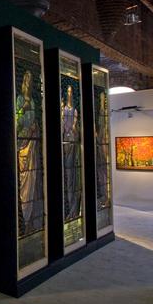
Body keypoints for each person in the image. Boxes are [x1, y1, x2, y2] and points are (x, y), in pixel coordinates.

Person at [15, 71, 44, 237]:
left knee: (33, 180)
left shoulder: (32, 101)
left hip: (32, 144)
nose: (28, 83)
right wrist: (21, 111)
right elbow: (16, 122)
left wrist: (35, 128)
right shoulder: (19, 100)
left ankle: (32, 220)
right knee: (25, 180)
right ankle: (24, 220)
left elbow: (33, 122)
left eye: (30, 80)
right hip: (23, 146)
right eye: (26, 79)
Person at [62, 85, 81, 222]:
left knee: (73, 177)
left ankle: (74, 210)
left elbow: (75, 130)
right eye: (67, 91)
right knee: (68, 178)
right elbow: (63, 127)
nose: (69, 93)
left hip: (73, 145)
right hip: (65, 144)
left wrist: (73, 129)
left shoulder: (74, 111)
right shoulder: (63, 110)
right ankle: (71, 210)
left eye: (71, 91)